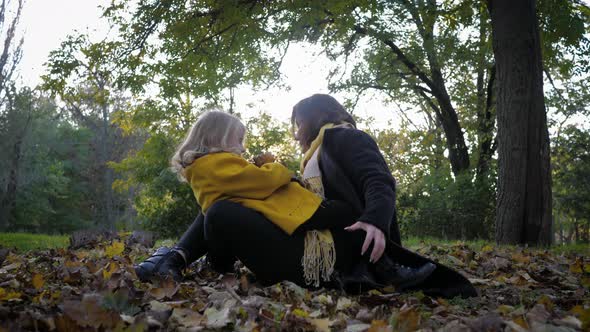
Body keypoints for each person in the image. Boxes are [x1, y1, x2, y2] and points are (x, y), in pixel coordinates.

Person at [136, 96, 477, 298]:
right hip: (303, 240)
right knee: (225, 202)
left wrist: (375, 220)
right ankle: (177, 257)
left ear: (314, 119)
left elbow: (379, 180)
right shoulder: (314, 154)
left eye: (297, 123)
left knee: (222, 211)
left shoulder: (345, 139)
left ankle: (178, 256)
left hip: (330, 254)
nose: (294, 132)